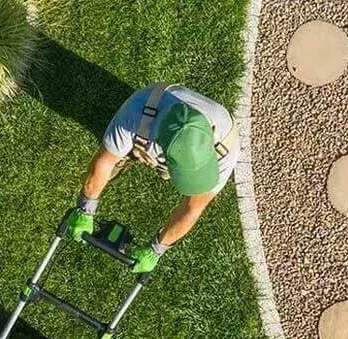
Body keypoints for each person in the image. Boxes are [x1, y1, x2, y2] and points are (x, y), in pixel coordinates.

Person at [66, 83, 239, 273]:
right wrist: (86, 207)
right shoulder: (137, 112)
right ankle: (133, 151)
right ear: (161, 148)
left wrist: (156, 249)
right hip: (147, 127)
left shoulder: (226, 148)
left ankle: (137, 151)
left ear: (212, 131)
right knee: (112, 157)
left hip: (163, 137)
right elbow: (104, 162)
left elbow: (193, 207)